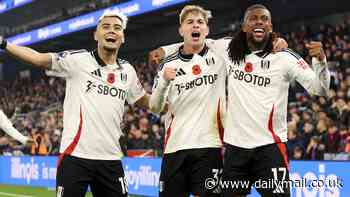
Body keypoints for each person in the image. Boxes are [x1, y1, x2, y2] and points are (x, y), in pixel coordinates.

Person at [152, 4, 330, 197]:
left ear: (270, 26)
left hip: (270, 149)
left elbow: (319, 89)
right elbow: (200, 41)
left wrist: (320, 61)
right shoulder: (228, 49)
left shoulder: (284, 57)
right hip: (235, 151)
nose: (259, 22)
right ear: (244, 26)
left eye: (264, 19)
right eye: (253, 19)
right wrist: (164, 50)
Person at [0, 10, 149, 197]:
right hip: (75, 157)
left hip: (111, 159)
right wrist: (3, 43)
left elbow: (143, 99)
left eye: (117, 28)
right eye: (106, 27)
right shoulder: (78, 60)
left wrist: (176, 99)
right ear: (96, 34)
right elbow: (38, 58)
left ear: (123, 37)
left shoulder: (128, 70)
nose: (112, 31)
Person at [149, 5, 225, 197]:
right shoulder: (168, 64)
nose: (195, 26)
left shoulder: (220, 55)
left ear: (207, 30)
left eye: (200, 22)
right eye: (189, 22)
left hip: (210, 146)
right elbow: (155, 107)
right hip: (175, 148)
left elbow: (250, 39)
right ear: (181, 30)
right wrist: (164, 81)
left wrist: (277, 41)